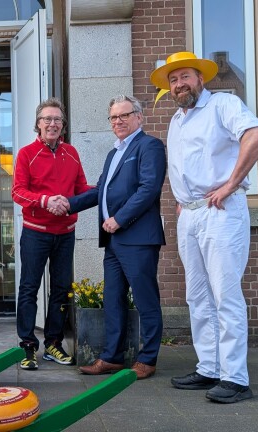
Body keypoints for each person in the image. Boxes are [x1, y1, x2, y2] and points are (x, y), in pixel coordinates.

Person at [150, 52, 258, 403]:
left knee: (224, 295)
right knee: (197, 296)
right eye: (173, 80)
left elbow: (257, 133)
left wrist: (231, 184)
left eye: (185, 76)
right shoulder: (177, 119)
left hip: (221, 212)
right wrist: (181, 201)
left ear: (201, 78)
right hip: (191, 214)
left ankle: (236, 378)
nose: (178, 84)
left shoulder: (223, 106)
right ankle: (209, 368)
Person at [67, 95, 166, 380]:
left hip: (137, 238)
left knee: (146, 299)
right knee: (113, 299)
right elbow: (100, 191)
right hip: (113, 240)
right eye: (113, 117)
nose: (118, 121)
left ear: (139, 117)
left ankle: (148, 358)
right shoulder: (114, 153)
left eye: (124, 115)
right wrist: (68, 204)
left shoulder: (149, 146)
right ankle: (112, 357)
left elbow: (148, 189)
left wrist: (120, 219)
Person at [11, 97, 91, 370]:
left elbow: (81, 189)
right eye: (47, 119)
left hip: (66, 233)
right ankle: (27, 347)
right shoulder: (26, 154)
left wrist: (107, 190)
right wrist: (47, 201)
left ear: (63, 125)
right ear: (38, 124)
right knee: (29, 289)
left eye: (57, 119)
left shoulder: (72, 153)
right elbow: (18, 191)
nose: (52, 123)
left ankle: (53, 344)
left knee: (61, 290)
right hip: (36, 233)